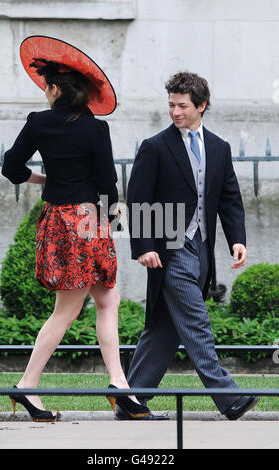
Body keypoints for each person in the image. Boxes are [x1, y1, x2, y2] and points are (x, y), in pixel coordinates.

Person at [1, 35, 150, 422]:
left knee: (106, 299)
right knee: (69, 310)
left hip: (59, 220)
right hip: (89, 220)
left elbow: (11, 168)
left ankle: (119, 384)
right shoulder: (95, 129)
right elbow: (108, 184)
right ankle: (26, 387)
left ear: (54, 89)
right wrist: (111, 220)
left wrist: (44, 182)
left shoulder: (38, 124)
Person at [123, 71, 259, 421]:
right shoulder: (154, 147)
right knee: (197, 322)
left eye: (182, 105)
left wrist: (237, 240)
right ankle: (228, 397)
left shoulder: (219, 147)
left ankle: (131, 401)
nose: (175, 111)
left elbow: (229, 198)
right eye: (171, 104)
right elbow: (137, 200)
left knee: (166, 327)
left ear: (201, 106)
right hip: (170, 246)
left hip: (202, 248)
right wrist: (144, 246)